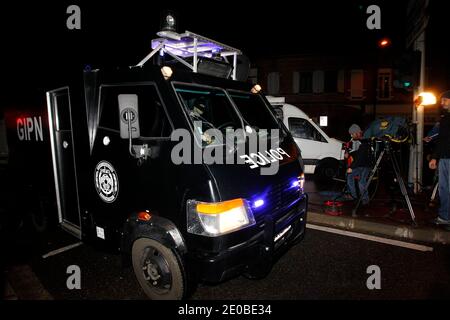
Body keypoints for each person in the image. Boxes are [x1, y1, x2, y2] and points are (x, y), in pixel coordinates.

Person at [429, 90, 450, 225]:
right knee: (444, 188)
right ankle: (444, 217)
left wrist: (434, 157)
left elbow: (443, 140)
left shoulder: (446, 119)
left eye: (445, 100)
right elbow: (441, 139)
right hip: (444, 158)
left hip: (446, 158)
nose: (442, 103)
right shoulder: (445, 118)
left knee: (446, 188)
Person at [345, 124, 372, 210]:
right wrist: (348, 153)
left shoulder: (365, 141)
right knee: (349, 176)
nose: (351, 136)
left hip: (366, 166)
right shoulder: (359, 141)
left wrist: (351, 167)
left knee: (361, 182)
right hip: (359, 165)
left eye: (352, 134)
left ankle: (365, 200)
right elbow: (357, 153)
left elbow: (360, 157)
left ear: (357, 133)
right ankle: (354, 196)